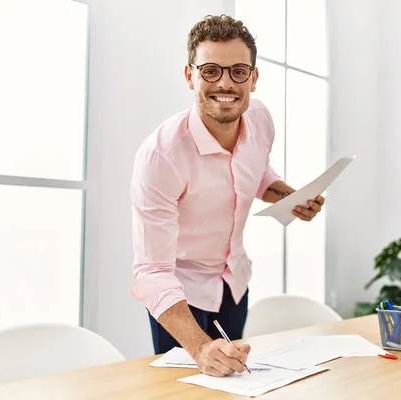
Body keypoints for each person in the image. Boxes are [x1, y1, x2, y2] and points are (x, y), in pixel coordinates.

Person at [129, 14, 325, 377]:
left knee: (236, 381)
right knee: (183, 388)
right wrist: (200, 348)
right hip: (179, 296)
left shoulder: (262, 119)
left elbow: (257, 172)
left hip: (234, 282)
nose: (225, 83)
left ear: (253, 77)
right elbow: (152, 272)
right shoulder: (161, 156)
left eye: (238, 71)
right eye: (210, 71)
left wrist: (288, 196)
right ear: (190, 76)